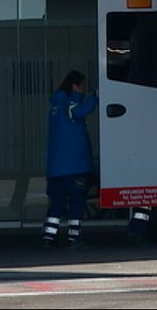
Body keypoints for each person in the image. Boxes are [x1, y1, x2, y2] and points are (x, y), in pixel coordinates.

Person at [41, 70, 99, 250]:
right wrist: (95, 98)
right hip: (74, 166)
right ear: (75, 86)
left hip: (55, 169)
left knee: (57, 204)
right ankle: (75, 238)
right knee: (76, 203)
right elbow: (80, 111)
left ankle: (48, 237)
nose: (84, 90)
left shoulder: (56, 107)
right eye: (82, 86)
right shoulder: (69, 104)